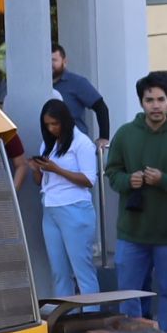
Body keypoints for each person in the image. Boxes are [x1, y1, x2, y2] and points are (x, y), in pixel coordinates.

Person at [105, 73, 167, 333]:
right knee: (128, 294)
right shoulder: (125, 134)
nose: (155, 105)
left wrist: (163, 180)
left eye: (160, 99)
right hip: (132, 231)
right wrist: (127, 180)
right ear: (141, 102)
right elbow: (112, 172)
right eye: (149, 100)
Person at [27, 98, 99, 297]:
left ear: (65, 121)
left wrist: (56, 169)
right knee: (59, 272)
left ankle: (92, 312)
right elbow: (40, 181)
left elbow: (89, 180)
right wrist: (36, 169)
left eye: (55, 123)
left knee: (82, 270)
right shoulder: (48, 144)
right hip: (50, 207)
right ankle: (66, 313)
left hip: (75, 208)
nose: (51, 129)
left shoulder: (81, 143)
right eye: (47, 125)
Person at [49, 44, 111, 154]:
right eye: (47, 60)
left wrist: (104, 137)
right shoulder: (39, 84)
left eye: (54, 60)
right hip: (51, 145)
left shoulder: (77, 82)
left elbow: (101, 107)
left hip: (76, 147)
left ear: (64, 62)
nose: (50, 64)